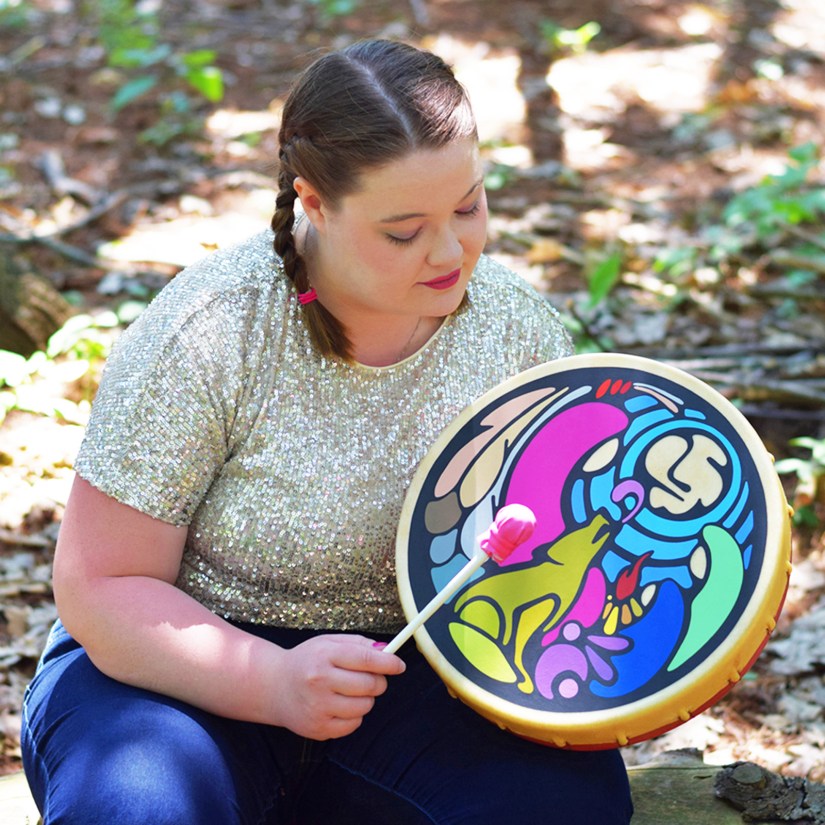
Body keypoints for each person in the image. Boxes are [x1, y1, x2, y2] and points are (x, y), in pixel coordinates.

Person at [21, 39, 633, 824]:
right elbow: (98, 586)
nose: (451, 251)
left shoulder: (520, 334)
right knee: (139, 810)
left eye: (468, 205)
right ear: (313, 202)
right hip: (175, 675)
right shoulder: (211, 330)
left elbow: (555, 550)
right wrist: (270, 681)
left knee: (563, 808)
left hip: (420, 677)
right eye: (403, 230)